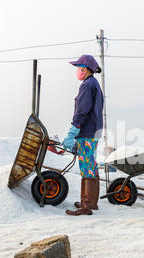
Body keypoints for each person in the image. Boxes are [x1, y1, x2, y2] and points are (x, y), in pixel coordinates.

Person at [62, 55, 103, 216]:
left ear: (84, 69)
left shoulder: (87, 85)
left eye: (78, 67)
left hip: (87, 132)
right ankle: (91, 202)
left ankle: (86, 206)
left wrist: (73, 132)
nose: (77, 71)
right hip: (95, 131)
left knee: (86, 167)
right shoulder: (95, 84)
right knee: (91, 165)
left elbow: (82, 111)